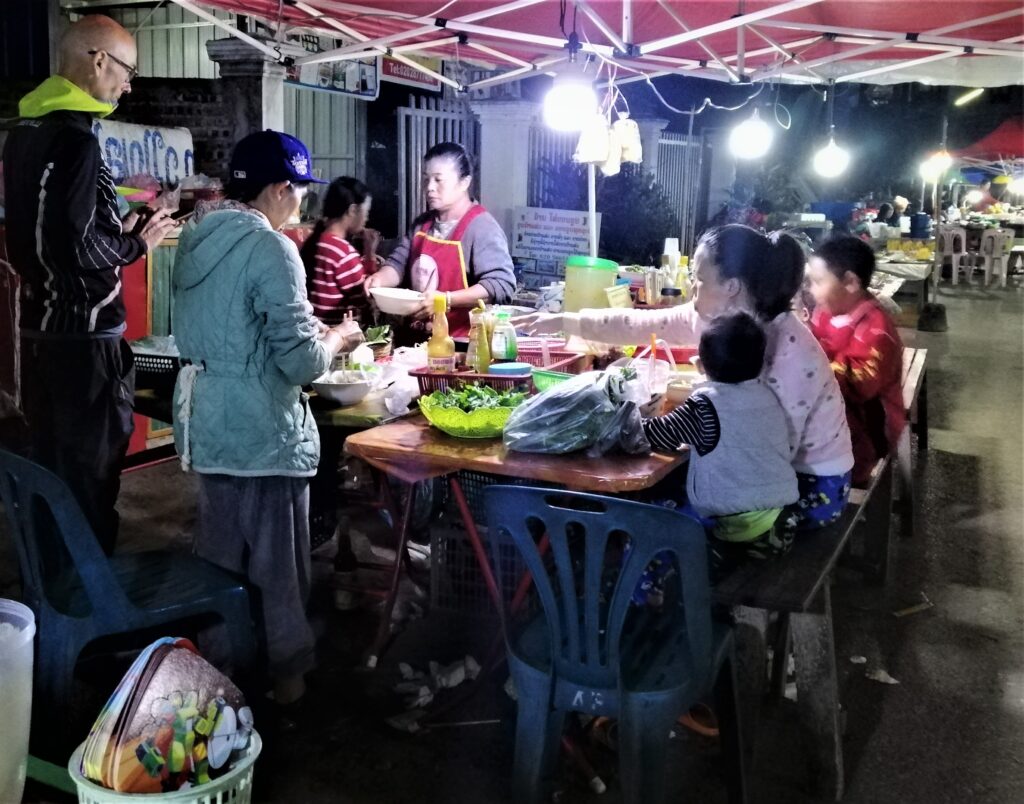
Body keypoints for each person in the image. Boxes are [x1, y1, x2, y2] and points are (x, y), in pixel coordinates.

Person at [171, 130, 364, 707]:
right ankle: (288, 681)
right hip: (263, 429)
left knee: (219, 558)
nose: (301, 203)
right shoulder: (271, 248)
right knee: (280, 566)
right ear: (280, 188)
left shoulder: (195, 236)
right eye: (299, 191)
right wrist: (339, 336)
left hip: (206, 420)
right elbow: (302, 361)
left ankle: (218, 681)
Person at [517, 224, 854, 533]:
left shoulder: (790, 349)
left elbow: (769, 452)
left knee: (657, 520)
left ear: (731, 286)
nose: (692, 287)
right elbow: (639, 325)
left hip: (808, 488)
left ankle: (654, 589)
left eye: (699, 278)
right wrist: (566, 321)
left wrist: (689, 418)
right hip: (754, 477)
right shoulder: (720, 320)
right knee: (643, 501)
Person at [2, 14, 178, 553]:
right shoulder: (76, 142)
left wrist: (120, 226)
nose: (128, 85)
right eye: (127, 70)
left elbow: (47, 232)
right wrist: (138, 243)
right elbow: (78, 247)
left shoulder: (25, 132)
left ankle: (54, 597)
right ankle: (86, 607)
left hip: (40, 335)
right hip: (83, 345)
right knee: (90, 478)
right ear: (97, 60)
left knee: (52, 472)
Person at [640, 312, 798, 581]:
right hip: (783, 522)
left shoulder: (705, 406)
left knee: (650, 523)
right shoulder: (767, 395)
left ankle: (650, 598)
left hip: (743, 533)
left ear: (700, 365)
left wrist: (634, 417)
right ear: (760, 364)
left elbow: (656, 436)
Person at [363, 142, 515, 338]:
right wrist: (379, 279)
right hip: (415, 341)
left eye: (438, 180)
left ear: (464, 182)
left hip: (461, 346)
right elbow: (398, 264)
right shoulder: (421, 225)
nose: (429, 188)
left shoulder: (482, 228)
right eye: (426, 179)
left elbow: (501, 284)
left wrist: (446, 299)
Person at [807, 236, 905, 487]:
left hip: (867, 431)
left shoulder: (876, 329)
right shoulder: (826, 311)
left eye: (818, 282)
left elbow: (861, 385)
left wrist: (809, 361)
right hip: (832, 414)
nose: (811, 290)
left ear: (850, 282)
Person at [299, 176, 379, 326]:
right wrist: (370, 254)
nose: (366, 219)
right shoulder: (344, 253)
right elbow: (366, 299)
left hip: (316, 333)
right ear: (353, 210)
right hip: (340, 340)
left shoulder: (316, 241)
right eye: (366, 213)